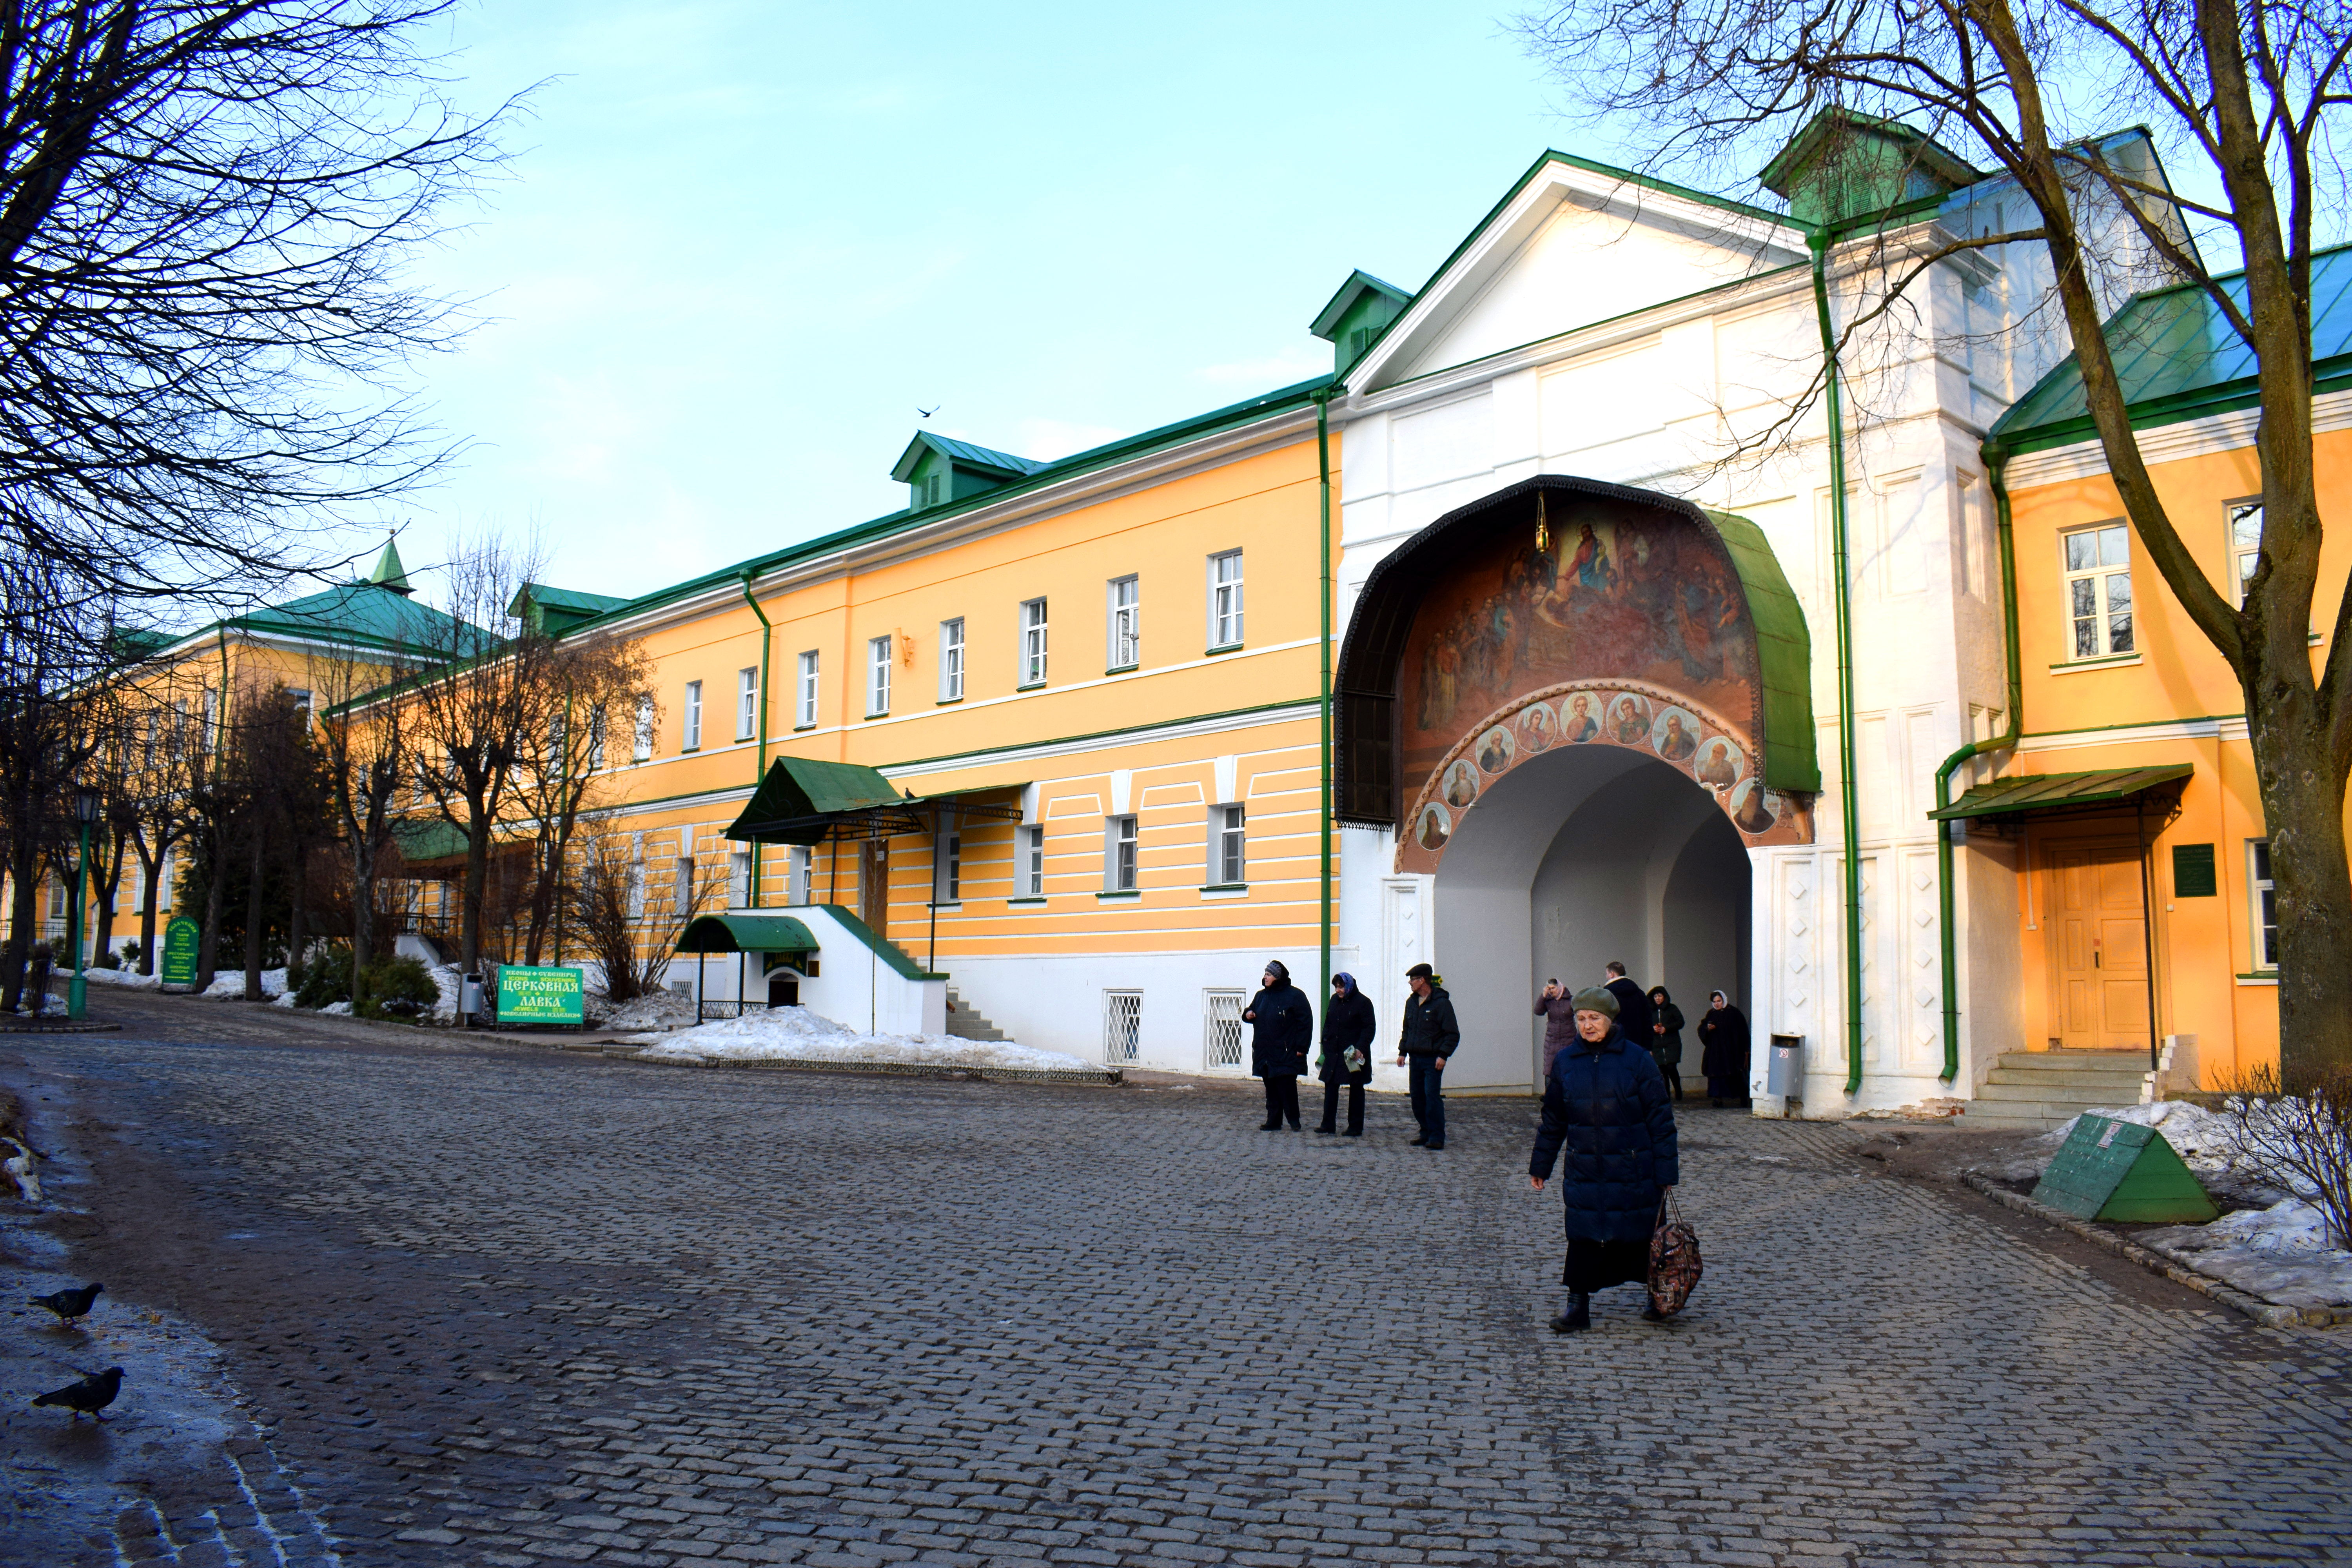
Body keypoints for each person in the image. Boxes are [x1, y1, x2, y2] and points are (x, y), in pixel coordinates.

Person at [1528, 986, 1679, 1332]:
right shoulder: (1566, 1062)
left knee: (1645, 1236)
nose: (1587, 1025)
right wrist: (1541, 1165)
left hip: (1633, 1170)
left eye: (1594, 1018)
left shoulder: (1638, 1060)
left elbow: (1661, 1119)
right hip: (1586, 1171)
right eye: (1581, 1019)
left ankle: (1658, 1298)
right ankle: (1577, 1307)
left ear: (1610, 1020)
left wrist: (1666, 1170)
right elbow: (1554, 1120)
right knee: (1583, 1237)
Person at [1243, 960, 1312, 1131]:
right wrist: (1248, 1014)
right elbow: (1250, 1011)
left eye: (1269, 975)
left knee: (1286, 1087)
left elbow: (1306, 1023)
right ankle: (1274, 1121)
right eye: (1265, 974)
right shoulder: (1261, 996)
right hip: (1265, 1051)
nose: (1265, 977)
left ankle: (1294, 1121)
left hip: (1286, 1051)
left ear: (1277, 977)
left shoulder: (1295, 996)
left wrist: (1302, 1048)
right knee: (1271, 1087)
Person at [1396, 962, 1458, 1150]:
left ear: (1422, 980)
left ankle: (1437, 1136)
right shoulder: (1412, 1003)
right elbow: (1407, 1029)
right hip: (1416, 1058)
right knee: (1417, 1098)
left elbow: (1452, 1034)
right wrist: (1402, 1052)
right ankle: (1425, 1132)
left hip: (1433, 1060)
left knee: (1432, 1097)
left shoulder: (1442, 1004)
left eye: (1413, 980)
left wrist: (1443, 1056)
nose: (1410, 984)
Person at [1315, 973, 1376, 1136]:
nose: (1338, 990)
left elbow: (1369, 1028)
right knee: (1331, 1086)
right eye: (1336, 987)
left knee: (1356, 1088)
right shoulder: (1334, 1001)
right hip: (1334, 1053)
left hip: (1353, 1054)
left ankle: (1355, 1127)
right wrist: (1326, 1045)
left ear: (1349, 986)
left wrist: (1360, 1048)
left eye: (1341, 987)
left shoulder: (1363, 1003)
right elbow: (1328, 1024)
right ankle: (1328, 1124)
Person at [1697, 989, 1753, 1107]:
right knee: (1716, 1075)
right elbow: (1702, 1027)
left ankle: (1742, 1097)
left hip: (1732, 1050)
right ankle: (1717, 1098)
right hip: (1716, 1051)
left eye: (1719, 1001)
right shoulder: (1711, 1014)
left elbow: (1743, 1032)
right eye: (1715, 1001)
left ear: (1724, 1000)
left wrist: (1746, 1048)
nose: (1717, 1004)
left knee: (1735, 1073)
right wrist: (1708, 1028)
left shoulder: (1734, 1013)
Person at [1646, 985, 1686, 1101]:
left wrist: (1666, 1028)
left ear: (1665, 997)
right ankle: (1666, 1094)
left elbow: (1680, 1022)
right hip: (1657, 1044)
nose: (1658, 998)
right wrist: (1653, 1029)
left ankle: (1678, 1090)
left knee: (1671, 1067)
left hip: (1672, 1043)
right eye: (1655, 996)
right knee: (1662, 1070)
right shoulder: (1650, 1011)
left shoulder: (1672, 1009)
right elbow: (1645, 1025)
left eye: (1660, 996)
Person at [1534, 979, 1580, 1076]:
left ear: (1559, 987)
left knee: (1569, 1067)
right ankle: (1550, 1091)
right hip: (1552, 1040)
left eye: (1553, 988)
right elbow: (1538, 1012)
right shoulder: (1548, 1001)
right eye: (1549, 989)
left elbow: (1580, 1014)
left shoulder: (1571, 1000)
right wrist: (1543, 996)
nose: (1551, 991)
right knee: (1550, 1069)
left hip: (1569, 1039)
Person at [1602, 962, 1652, 1047]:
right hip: (1637, 1044)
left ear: (1612, 974)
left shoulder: (1607, 994)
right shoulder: (1640, 993)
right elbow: (1648, 1020)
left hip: (1614, 1044)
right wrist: (1648, 1046)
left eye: (1607, 973)